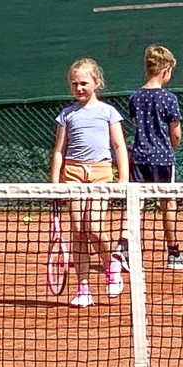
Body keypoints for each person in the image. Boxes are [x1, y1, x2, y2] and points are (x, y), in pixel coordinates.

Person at [49, 58, 129, 308]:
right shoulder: (66, 115)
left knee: (94, 227)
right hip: (73, 173)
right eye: (75, 84)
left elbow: (119, 147)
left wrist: (123, 179)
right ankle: (83, 288)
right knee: (78, 231)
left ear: (97, 83)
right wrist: (54, 184)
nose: (79, 87)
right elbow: (59, 151)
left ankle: (110, 265)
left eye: (84, 83)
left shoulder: (108, 112)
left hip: (100, 173)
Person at [116, 44, 183, 269]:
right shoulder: (169, 99)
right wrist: (171, 149)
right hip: (163, 160)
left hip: (139, 158)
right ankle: (174, 254)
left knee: (136, 204)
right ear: (165, 69)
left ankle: (123, 245)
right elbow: (176, 133)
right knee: (168, 204)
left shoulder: (134, 98)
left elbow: (137, 123)